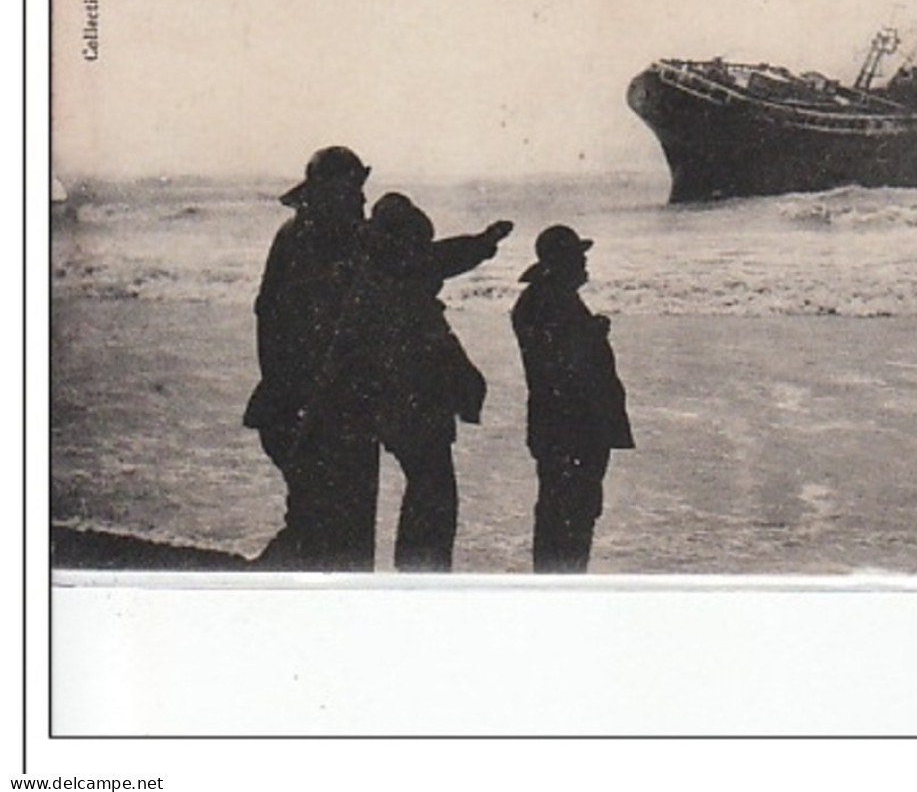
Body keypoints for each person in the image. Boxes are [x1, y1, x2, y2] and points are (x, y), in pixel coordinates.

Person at [244, 146, 511, 570]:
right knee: (329, 531)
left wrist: (480, 245)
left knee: (325, 526)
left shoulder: (312, 237)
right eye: (355, 192)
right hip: (317, 405)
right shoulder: (332, 242)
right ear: (332, 191)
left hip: (325, 402)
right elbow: (419, 263)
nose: (362, 201)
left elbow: (418, 261)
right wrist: (479, 246)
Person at [309, 194, 486, 572]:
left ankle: (416, 575)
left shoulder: (376, 268)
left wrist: (484, 243)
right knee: (433, 494)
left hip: (391, 405)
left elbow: (440, 257)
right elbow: (439, 261)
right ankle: (421, 579)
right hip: (413, 406)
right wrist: (483, 245)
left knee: (426, 490)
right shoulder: (398, 282)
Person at [511, 224, 634, 573]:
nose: (584, 262)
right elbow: (558, 365)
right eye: (578, 256)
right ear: (562, 262)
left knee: (566, 513)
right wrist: (592, 334)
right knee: (570, 516)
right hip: (571, 428)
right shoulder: (548, 301)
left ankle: (558, 586)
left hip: (563, 426)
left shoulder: (548, 298)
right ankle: (562, 589)